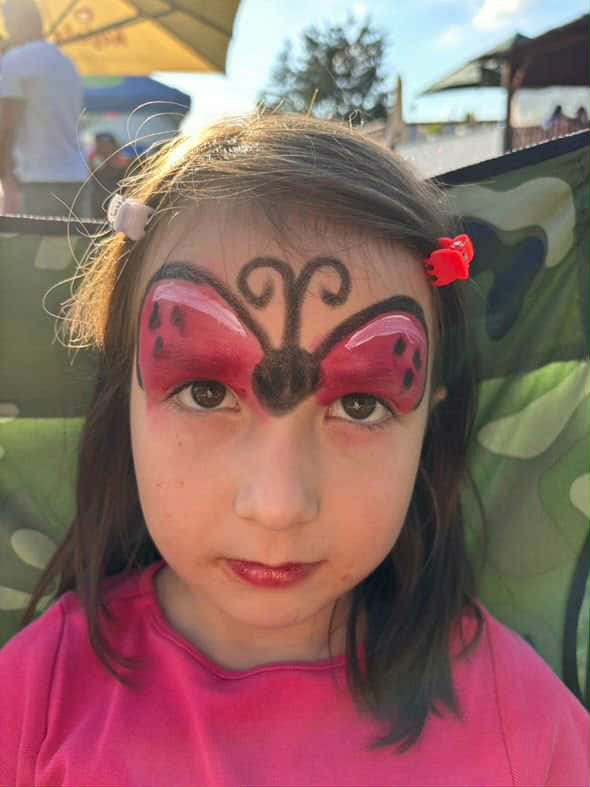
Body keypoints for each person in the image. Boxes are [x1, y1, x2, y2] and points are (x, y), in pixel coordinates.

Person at [0, 114, 587, 786]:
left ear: (432, 418)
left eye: (360, 405)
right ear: (122, 398)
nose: (277, 507)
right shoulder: (33, 702)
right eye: (204, 392)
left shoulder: (524, 726)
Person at [0, 0, 88, 217]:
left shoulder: (15, 61)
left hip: (36, 179)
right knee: (68, 240)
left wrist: (5, 175)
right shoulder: (66, 63)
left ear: (15, 23)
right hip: (75, 176)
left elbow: (6, 126)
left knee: (29, 239)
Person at [88, 131, 130, 217]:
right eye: (100, 146)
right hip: (96, 204)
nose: (104, 149)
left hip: (116, 204)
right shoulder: (92, 161)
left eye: (107, 145)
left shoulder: (123, 162)